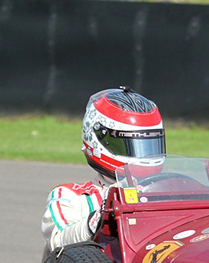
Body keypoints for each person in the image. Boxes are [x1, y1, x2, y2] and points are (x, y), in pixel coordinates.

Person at [42, 87, 165, 250]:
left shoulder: (166, 192)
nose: (144, 156)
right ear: (99, 139)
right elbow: (59, 241)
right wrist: (102, 217)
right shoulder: (74, 197)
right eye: (132, 146)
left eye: (150, 145)